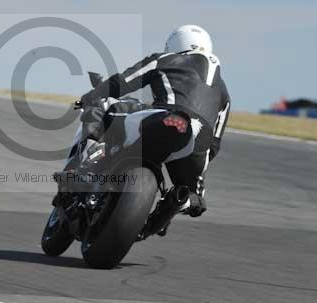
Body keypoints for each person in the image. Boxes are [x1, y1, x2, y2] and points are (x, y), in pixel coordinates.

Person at [80, 25, 231, 226]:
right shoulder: (224, 92)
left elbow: (123, 82)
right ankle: (176, 204)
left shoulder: (165, 59)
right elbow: (214, 145)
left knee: (105, 108)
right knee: (192, 197)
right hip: (199, 142)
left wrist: (92, 96)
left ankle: (87, 164)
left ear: (175, 44)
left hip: (166, 117)